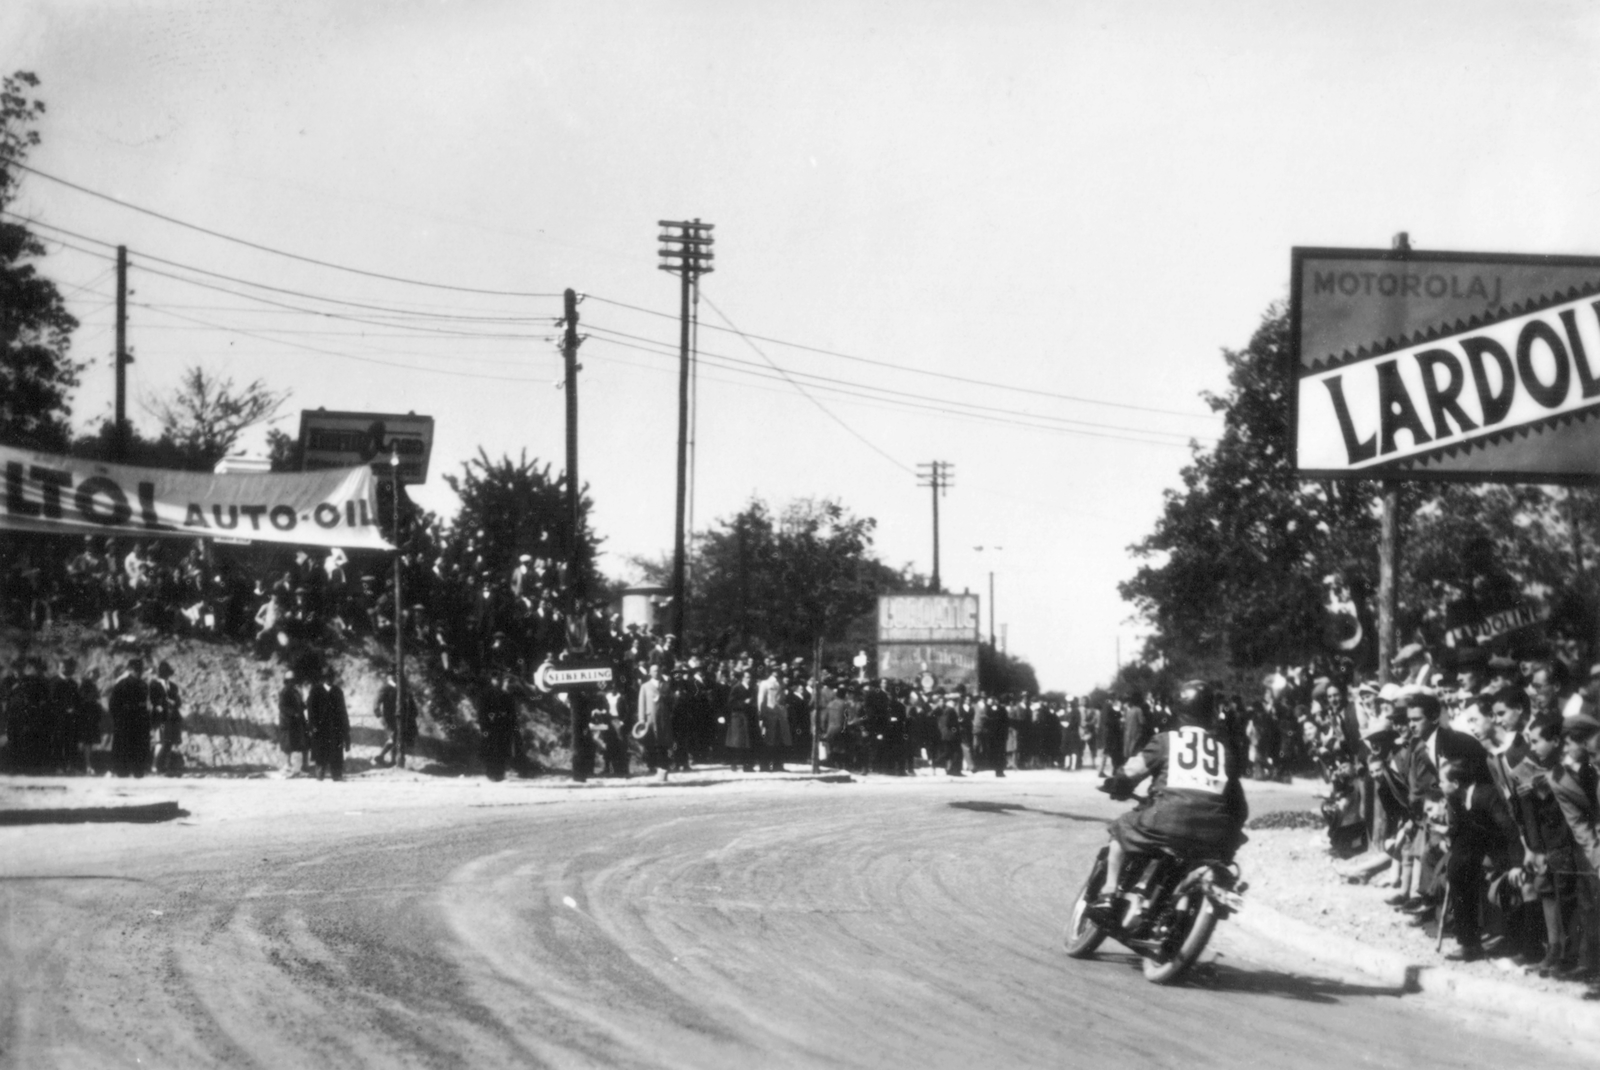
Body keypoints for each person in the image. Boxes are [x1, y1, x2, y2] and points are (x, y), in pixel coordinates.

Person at [1091, 680, 1248, 922]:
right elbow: (1238, 803)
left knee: (1119, 832)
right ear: (1211, 714)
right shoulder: (1224, 751)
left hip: (1166, 819)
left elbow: (1132, 771)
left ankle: (1108, 894)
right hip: (1214, 833)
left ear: (1179, 712)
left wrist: (1118, 782)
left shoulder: (1165, 741)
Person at [108, 657, 152, 778]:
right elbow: (113, 704)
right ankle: (123, 771)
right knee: (124, 746)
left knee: (138, 747)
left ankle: (137, 771)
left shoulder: (143, 685)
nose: (139, 672)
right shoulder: (122, 684)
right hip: (125, 721)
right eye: (136, 670)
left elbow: (145, 704)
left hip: (138, 721)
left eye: (140, 670)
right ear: (130, 670)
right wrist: (119, 719)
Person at [306, 666, 350, 781]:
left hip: (335, 729)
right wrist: (312, 727)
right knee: (321, 755)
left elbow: (343, 711)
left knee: (336, 754)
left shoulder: (337, 691)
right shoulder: (316, 691)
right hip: (321, 730)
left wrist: (346, 730)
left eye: (331, 677)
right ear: (323, 678)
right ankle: (320, 776)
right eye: (327, 677)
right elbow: (311, 711)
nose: (329, 679)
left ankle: (337, 776)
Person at [636, 662, 673, 782]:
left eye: (658, 670)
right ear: (650, 673)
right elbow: (641, 703)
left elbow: (671, 700)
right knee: (651, 743)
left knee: (664, 743)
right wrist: (642, 719)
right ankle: (652, 766)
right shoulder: (645, 686)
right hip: (650, 719)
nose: (657, 673)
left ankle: (663, 768)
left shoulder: (666, 685)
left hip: (663, 719)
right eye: (654, 671)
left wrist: (662, 697)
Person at [149, 660, 184, 776]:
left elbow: (178, 701)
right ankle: (154, 765)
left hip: (172, 717)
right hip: (161, 718)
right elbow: (154, 701)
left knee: (169, 742)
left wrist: (174, 703)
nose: (166, 675)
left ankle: (164, 766)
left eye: (167, 673)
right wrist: (165, 703)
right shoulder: (154, 685)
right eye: (165, 673)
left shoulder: (173, 686)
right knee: (161, 741)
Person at [276, 669, 308, 777]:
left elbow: (299, 705)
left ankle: (303, 767)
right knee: (288, 745)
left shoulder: (295, 692)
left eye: (293, 680)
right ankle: (287, 766)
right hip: (288, 723)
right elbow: (282, 706)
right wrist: (293, 713)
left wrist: (305, 705)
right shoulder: (285, 692)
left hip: (297, 722)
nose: (292, 682)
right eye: (290, 681)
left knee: (301, 744)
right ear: (286, 681)